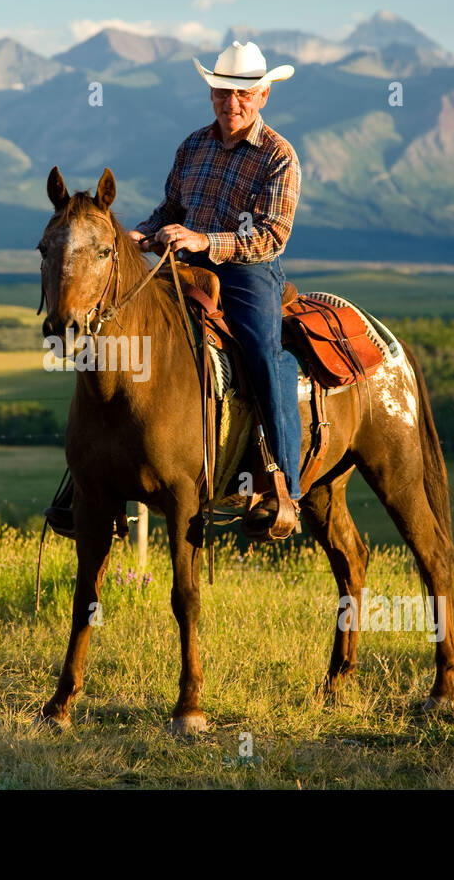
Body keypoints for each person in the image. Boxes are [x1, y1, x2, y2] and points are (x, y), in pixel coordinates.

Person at [129, 41, 303, 537]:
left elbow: (271, 235)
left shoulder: (278, 156)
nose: (232, 103)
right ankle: (91, 477)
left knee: (263, 357)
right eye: (224, 93)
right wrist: (140, 234)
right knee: (122, 328)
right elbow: (170, 211)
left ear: (264, 95)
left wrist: (206, 240)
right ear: (212, 93)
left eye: (244, 95)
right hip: (184, 264)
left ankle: (281, 489)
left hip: (249, 272)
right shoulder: (193, 146)